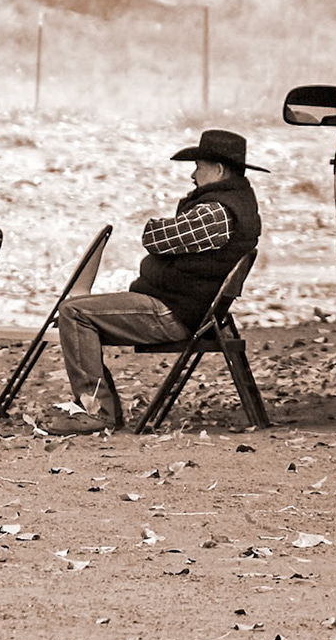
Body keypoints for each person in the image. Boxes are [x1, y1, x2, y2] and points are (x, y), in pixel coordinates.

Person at [45, 129, 264, 435]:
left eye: (199, 166)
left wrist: (156, 234)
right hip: (186, 307)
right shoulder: (232, 204)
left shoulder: (216, 212)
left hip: (173, 310)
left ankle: (99, 411)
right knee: (79, 310)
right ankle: (98, 407)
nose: (193, 174)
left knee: (74, 312)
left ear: (218, 170)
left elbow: (154, 238)